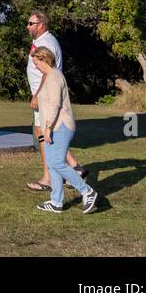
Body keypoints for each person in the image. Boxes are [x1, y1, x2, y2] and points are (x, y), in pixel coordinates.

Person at [25, 10, 88, 193]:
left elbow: (48, 71)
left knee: (44, 134)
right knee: (45, 134)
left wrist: (37, 95)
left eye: (31, 23)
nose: (28, 26)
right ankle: (76, 167)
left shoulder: (46, 42)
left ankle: (49, 178)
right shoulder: (40, 42)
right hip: (42, 96)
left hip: (45, 97)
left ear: (41, 25)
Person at [31, 46, 98, 213]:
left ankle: (87, 191)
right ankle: (56, 202)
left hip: (60, 126)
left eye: (36, 62)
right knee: (53, 164)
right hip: (55, 126)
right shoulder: (49, 77)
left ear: (44, 59)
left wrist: (48, 128)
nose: (35, 66)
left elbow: (55, 105)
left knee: (56, 162)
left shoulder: (54, 77)